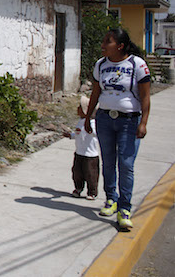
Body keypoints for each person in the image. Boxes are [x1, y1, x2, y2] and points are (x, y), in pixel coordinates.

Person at [83, 28, 151, 231]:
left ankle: (125, 208)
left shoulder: (136, 64)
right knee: (109, 162)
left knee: (126, 164)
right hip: (105, 119)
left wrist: (143, 122)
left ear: (120, 46)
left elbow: (146, 96)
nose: (103, 45)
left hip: (128, 122)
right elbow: (95, 93)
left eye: (108, 41)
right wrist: (89, 117)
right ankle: (111, 199)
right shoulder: (100, 65)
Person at [64, 96, 99, 200]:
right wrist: (71, 135)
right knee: (77, 172)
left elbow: (97, 135)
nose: (77, 108)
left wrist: (92, 133)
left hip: (90, 155)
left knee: (91, 174)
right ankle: (78, 188)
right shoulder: (80, 121)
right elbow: (79, 134)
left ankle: (92, 192)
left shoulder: (93, 124)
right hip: (79, 153)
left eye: (80, 107)